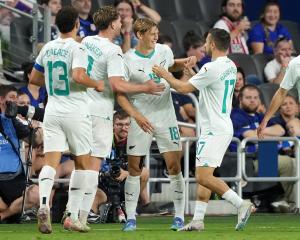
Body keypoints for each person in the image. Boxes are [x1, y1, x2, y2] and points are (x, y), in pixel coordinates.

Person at [153, 28, 254, 231]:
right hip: (222, 126)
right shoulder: (230, 66)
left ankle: (240, 204)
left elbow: (182, 89)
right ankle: (198, 220)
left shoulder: (211, 67)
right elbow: (209, 85)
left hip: (213, 129)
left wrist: (164, 74)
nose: (204, 45)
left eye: (207, 41)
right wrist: (195, 75)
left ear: (213, 44)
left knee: (202, 176)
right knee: (205, 174)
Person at [80, 6, 164, 226]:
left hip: (80, 107)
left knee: (82, 163)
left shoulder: (87, 41)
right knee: (94, 164)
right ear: (113, 24)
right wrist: (145, 87)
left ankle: (75, 210)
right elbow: (117, 85)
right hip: (99, 111)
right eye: (118, 21)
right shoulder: (113, 50)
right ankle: (83, 212)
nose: (121, 23)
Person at [117, 17, 197, 231]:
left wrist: (184, 62)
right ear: (139, 35)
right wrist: (137, 116)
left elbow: (171, 65)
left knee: (174, 165)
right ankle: (131, 218)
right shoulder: (127, 59)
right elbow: (120, 94)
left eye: (156, 33)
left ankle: (179, 216)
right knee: (134, 168)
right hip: (141, 118)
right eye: (151, 34)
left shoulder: (164, 51)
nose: (155, 37)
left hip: (166, 116)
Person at [29, 6, 104, 234]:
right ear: (76, 25)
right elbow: (79, 76)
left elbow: (33, 78)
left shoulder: (48, 48)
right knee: (82, 163)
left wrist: (52, 81)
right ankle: (71, 216)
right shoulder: (78, 47)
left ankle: (43, 204)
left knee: (50, 161)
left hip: (52, 110)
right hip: (76, 111)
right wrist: (96, 84)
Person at [233, 84, 294, 210]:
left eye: (255, 97)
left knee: (294, 161)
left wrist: (260, 132)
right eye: (248, 97)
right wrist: (268, 135)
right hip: (248, 161)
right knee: (289, 162)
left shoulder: (260, 116)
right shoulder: (236, 116)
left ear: (260, 100)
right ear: (240, 99)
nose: (252, 100)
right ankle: (292, 203)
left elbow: (280, 130)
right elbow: (249, 135)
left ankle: (284, 200)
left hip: (267, 154)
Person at [0, 85, 40, 223]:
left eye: (16, 99)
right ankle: (11, 212)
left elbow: (36, 140)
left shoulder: (13, 122)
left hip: (16, 180)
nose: (15, 102)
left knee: (36, 194)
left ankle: (4, 215)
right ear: (1, 100)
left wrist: (35, 128)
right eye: (11, 98)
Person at [258, 54, 300, 137]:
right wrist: (265, 120)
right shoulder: (296, 63)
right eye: (285, 104)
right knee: (295, 126)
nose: (288, 106)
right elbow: (281, 93)